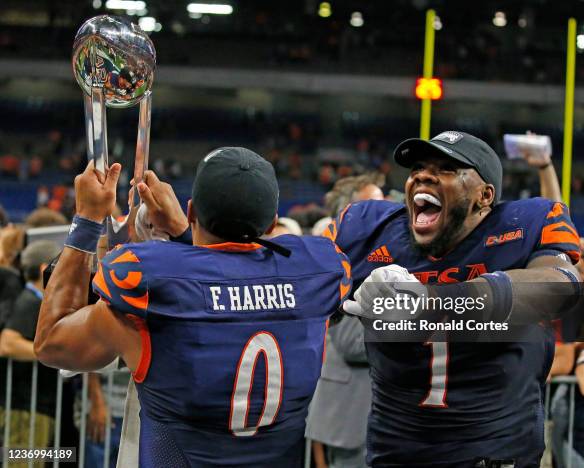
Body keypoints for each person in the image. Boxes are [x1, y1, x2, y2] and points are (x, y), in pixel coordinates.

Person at [34, 147, 351, 467]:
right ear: (271, 224)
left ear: (192, 210)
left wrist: (87, 221)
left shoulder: (152, 286)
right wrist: (185, 234)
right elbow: (233, 282)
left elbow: (52, 342)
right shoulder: (315, 276)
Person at [327, 131, 581, 467]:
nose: (422, 175)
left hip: (495, 451)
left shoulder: (524, 223)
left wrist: (433, 302)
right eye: (418, 167)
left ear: (484, 195)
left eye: (447, 168)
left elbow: (559, 286)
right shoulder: (368, 229)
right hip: (397, 450)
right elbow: (305, 285)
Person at [306, 174, 385, 468]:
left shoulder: (382, 257)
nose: (387, 215)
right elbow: (352, 343)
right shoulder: (337, 261)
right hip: (351, 415)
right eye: (374, 208)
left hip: (375, 417)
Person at [0, 240, 61, 467]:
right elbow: (8, 344)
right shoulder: (29, 301)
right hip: (25, 410)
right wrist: (55, 355)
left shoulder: (34, 300)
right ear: (46, 269)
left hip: (29, 407)